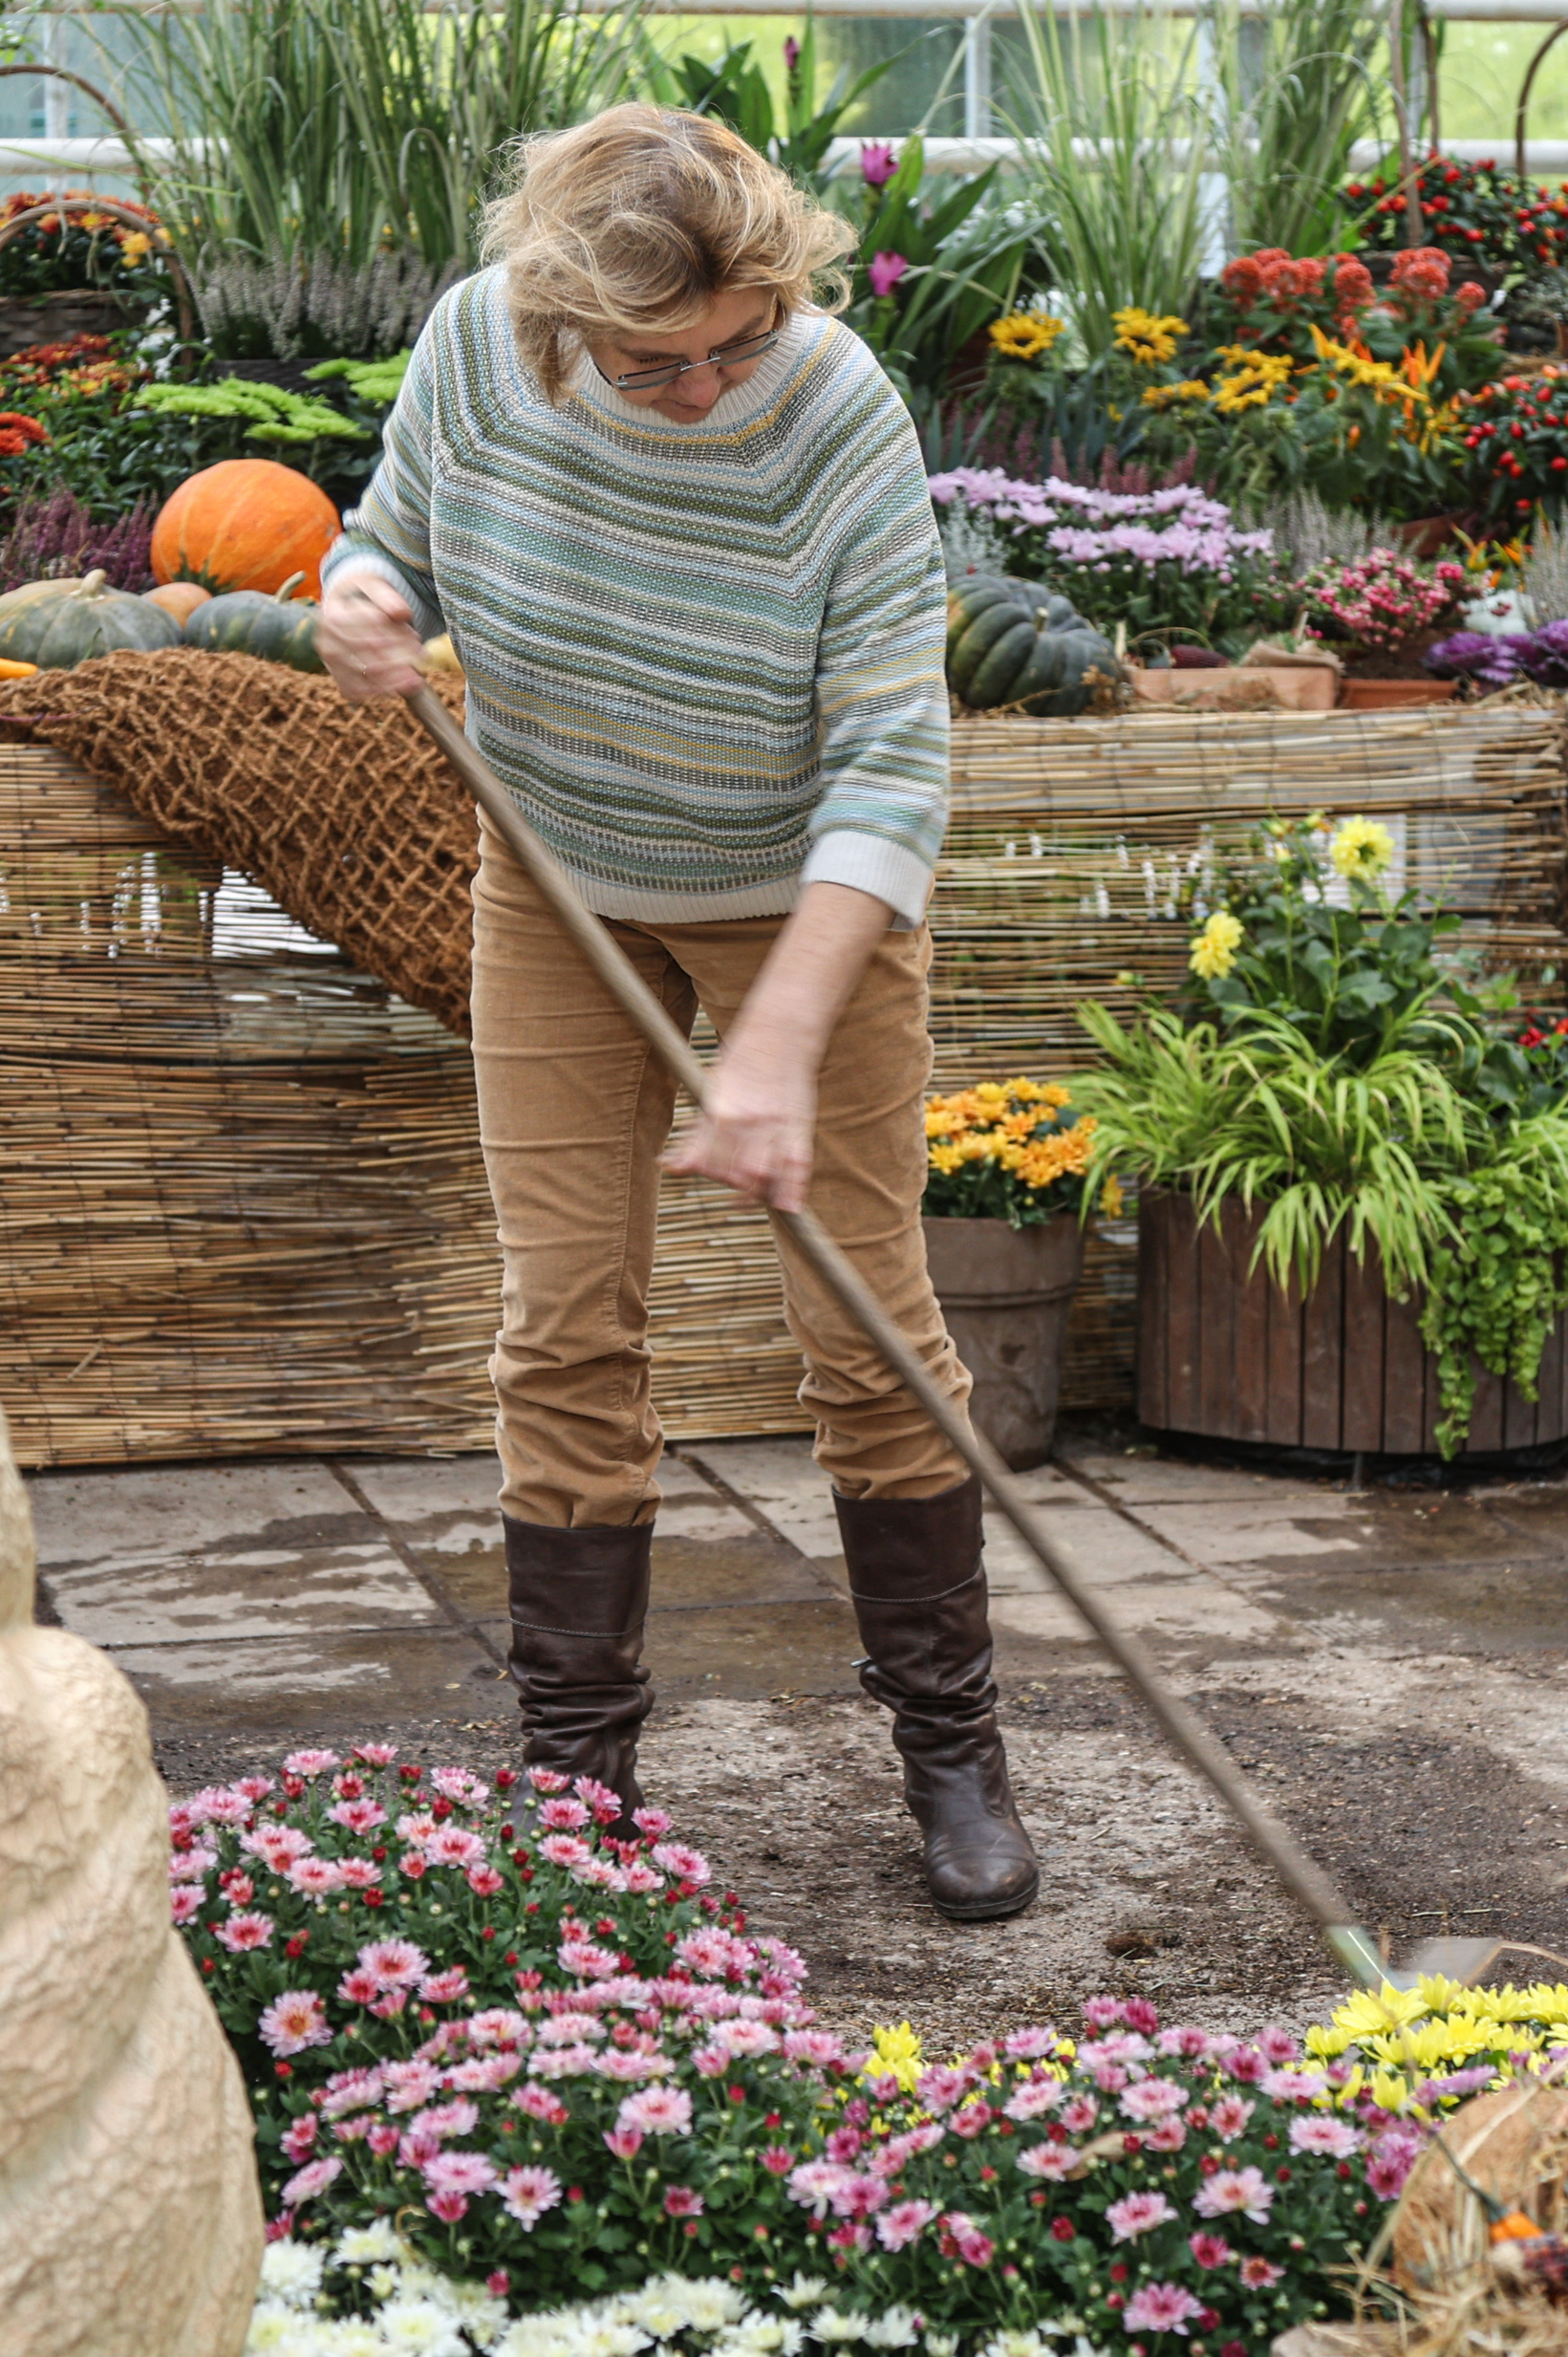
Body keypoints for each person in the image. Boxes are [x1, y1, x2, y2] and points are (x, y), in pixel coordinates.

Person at [314, 103, 1038, 1922]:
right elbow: (388, 535)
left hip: (804, 892)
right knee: (563, 1320)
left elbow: (893, 753)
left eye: (737, 342)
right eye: (658, 362)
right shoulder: (483, 349)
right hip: (557, 876)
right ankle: (579, 1780)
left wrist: (779, 1039)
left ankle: (950, 1744)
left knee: (865, 1324)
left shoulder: (836, 407)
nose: (709, 383)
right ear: (562, 316)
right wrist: (362, 597)